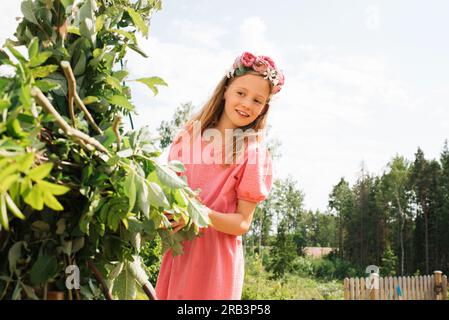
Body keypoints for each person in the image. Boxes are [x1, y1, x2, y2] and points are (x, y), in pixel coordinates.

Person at [155, 51, 285, 300]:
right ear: (225, 89)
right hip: (180, 254)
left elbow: (242, 223)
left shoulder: (253, 154)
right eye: (241, 93)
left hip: (216, 265)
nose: (247, 104)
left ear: (264, 108)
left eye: (258, 100)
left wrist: (198, 214)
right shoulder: (187, 139)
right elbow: (169, 196)